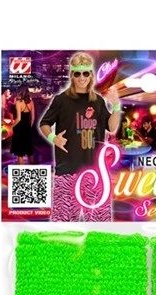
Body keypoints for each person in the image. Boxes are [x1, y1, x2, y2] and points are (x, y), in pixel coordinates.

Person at [39, 52, 122, 221]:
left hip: (95, 172)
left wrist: (115, 106)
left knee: (100, 225)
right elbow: (44, 124)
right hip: (67, 171)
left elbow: (112, 127)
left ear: (90, 75)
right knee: (64, 226)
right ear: (72, 75)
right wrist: (53, 138)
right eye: (77, 73)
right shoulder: (61, 100)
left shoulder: (98, 101)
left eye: (85, 73)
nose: (82, 77)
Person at [10, 87, 35, 164]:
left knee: (19, 151)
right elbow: (33, 118)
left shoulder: (19, 102)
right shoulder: (31, 102)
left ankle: (21, 168)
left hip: (19, 128)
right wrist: (29, 127)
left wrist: (11, 127)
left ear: (20, 92)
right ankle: (33, 166)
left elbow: (18, 119)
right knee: (29, 149)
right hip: (27, 128)